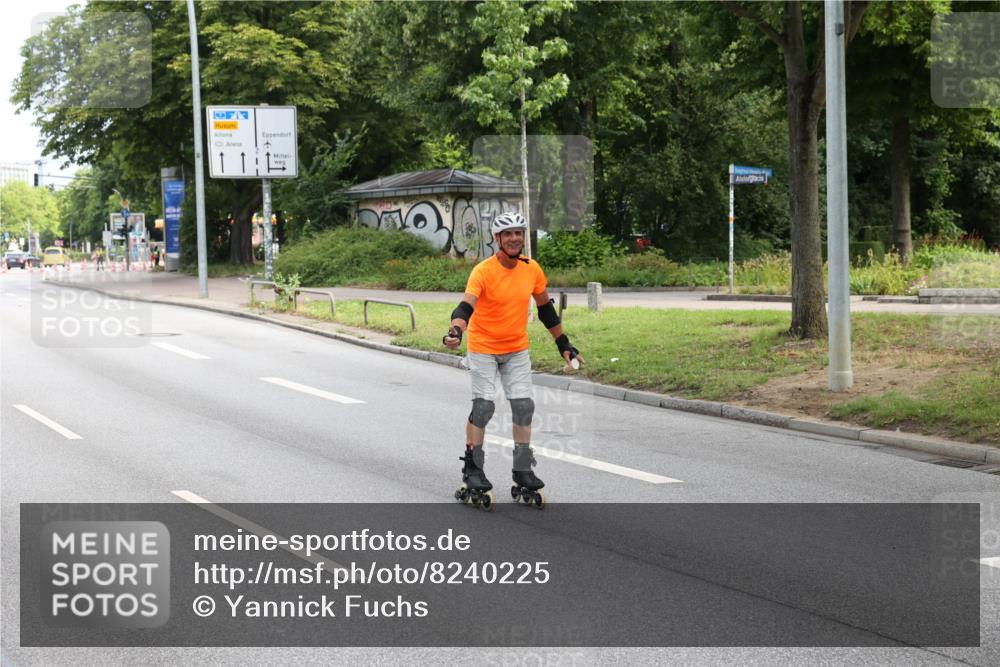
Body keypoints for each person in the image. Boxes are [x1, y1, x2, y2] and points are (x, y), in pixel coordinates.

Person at [443, 212, 584, 510]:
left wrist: (563, 343)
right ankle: (473, 467)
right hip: (483, 348)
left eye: (518, 233)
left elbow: (546, 309)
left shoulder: (532, 269)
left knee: (523, 405)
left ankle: (522, 469)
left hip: (516, 348)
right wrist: (456, 330)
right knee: (483, 407)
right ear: (497, 239)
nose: (514, 238)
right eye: (507, 234)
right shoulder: (483, 271)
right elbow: (465, 306)